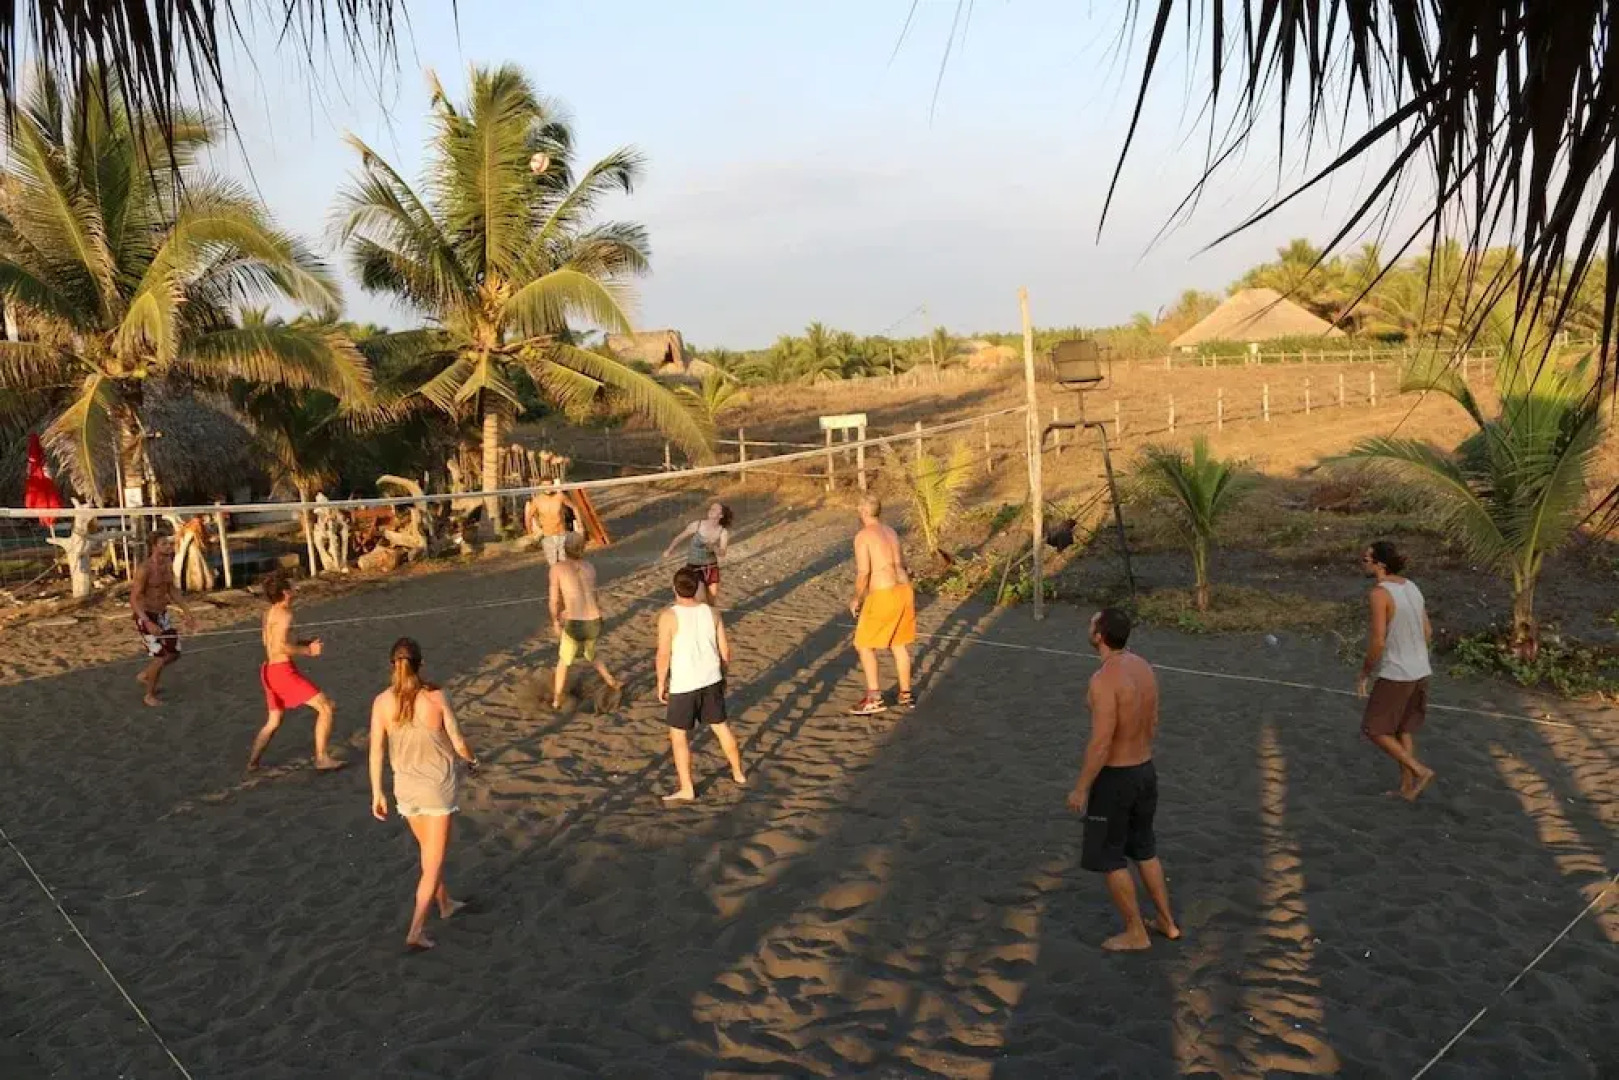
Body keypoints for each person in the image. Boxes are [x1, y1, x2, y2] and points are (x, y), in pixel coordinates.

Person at [1066, 608, 1181, 952]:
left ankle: (1135, 932)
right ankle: (1167, 921)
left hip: (1116, 778)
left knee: (1110, 857)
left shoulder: (1104, 680)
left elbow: (1101, 742)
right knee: (1144, 849)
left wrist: (1081, 788)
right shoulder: (1143, 666)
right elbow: (1153, 720)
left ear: (1099, 636)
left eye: (1092, 623)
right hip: (1145, 770)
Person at [369, 637, 479, 952]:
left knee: (429, 851)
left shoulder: (381, 702)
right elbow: (457, 740)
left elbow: (376, 750)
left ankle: (445, 903)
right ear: (421, 664)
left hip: (405, 790)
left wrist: (377, 792)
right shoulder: (436, 696)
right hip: (437, 789)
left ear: (392, 665)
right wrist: (473, 760)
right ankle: (416, 930)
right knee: (432, 863)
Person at [655, 566, 746, 802]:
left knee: (679, 737)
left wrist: (660, 683)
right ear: (697, 588)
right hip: (711, 679)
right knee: (721, 728)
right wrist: (723, 675)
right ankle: (738, 773)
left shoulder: (668, 616)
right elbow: (725, 651)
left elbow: (663, 654)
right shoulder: (712, 613)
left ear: (674, 588)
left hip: (684, 684)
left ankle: (687, 788)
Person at [1357, 540, 1437, 801]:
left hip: (1398, 673)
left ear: (1379, 564)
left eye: (1365, 559)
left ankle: (1420, 770)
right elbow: (1427, 631)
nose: (1362, 563)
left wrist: (1365, 672)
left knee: (1374, 729)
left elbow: (1378, 641)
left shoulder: (1379, 594)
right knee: (1403, 729)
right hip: (1421, 669)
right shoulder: (1412, 586)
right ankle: (1406, 788)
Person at [248, 574, 344, 772]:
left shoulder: (269, 613)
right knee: (326, 707)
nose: (294, 590)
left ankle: (253, 763)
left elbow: (270, 642)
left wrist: (305, 642)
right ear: (285, 592)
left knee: (273, 721)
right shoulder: (285, 614)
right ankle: (322, 758)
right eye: (291, 587)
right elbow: (281, 646)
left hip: (269, 671)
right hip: (283, 672)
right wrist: (309, 651)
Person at [848, 495, 916, 715]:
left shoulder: (863, 536)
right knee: (898, 644)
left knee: (863, 644)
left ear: (863, 511)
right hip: (904, 590)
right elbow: (902, 563)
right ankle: (905, 693)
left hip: (884, 593)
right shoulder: (890, 531)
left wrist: (857, 597)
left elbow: (864, 572)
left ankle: (874, 697)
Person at [548, 531, 621, 710]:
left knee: (564, 661)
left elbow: (554, 600)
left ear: (564, 548)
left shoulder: (557, 568)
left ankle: (557, 699)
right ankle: (611, 681)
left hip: (576, 622)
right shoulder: (589, 567)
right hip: (594, 619)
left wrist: (556, 621)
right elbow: (593, 596)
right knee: (591, 653)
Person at [131, 533, 184, 707]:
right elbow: (134, 599)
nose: (169, 546)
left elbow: (172, 590)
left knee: (174, 653)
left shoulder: (167, 565)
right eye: (164, 544)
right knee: (160, 658)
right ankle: (149, 695)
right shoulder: (144, 569)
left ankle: (146, 675)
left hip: (162, 615)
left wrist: (188, 613)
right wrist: (147, 622)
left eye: (169, 543)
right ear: (154, 546)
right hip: (146, 615)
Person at [662, 502, 731, 604]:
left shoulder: (723, 532)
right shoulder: (697, 525)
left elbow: (723, 553)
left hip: (711, 567)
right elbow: (680, 537)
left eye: (715, 509)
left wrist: (714, 547)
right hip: (694, 567)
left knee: (711, 600)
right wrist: (670, 549)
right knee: (699, 598)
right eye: (711, 508)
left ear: (721, 515)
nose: (711, 510)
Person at [525, 480, 575, 566]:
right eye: (544, 485)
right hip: (547, 535)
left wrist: (580, 525)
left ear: (552, 486)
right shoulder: (537, 500)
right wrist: (530, 533)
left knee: (564, 561)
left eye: (549, 485)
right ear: (541, 487)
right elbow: (529, 516)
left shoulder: (560, 497)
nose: (547, 488)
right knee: (553, 563)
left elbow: (574, 507)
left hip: (561, 533)